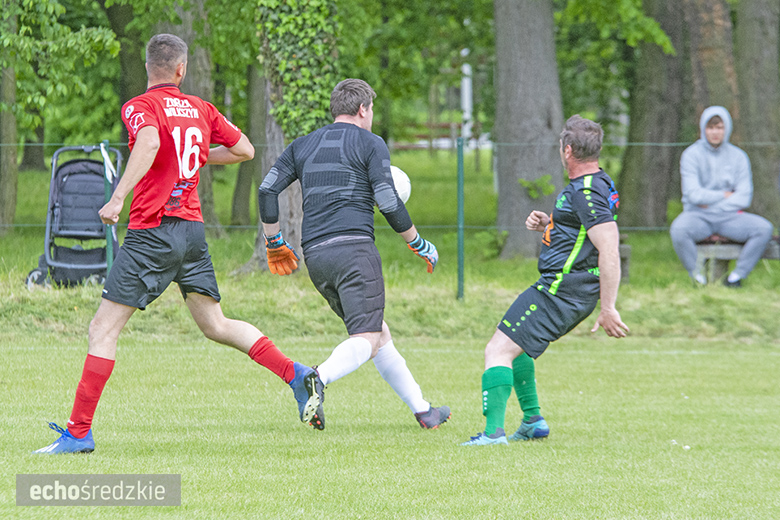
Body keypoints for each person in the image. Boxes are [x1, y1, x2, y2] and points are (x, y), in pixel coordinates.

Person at [34, 34, 319, 455]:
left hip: (153, 231)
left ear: (149, 67)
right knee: (216, 325)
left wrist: (117, 198)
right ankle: (296, 374)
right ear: (181, 70)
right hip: (191, 233)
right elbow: (244, 149)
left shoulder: (139, 106)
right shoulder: (202, 109)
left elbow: (150, 142)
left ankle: (78, 433)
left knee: (102, 329)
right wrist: (200, 153)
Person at [257, 78, 449, 431]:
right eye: (371, 110)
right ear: (363, 109)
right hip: (354, 251)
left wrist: (274, 242)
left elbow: (267, 190)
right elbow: (388, 201)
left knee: (377, 333)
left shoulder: (303, 145)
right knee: (366, 338)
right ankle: (315, 378)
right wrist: (418, 243)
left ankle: (423, 410)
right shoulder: (370, 143)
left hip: (317, 257)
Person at [461, 115, 629, 446]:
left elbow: (609, 249)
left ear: (567, 150)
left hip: (561, 290)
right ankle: (533, 421)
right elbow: (582, 232)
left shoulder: (586, 192)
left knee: (497, 349)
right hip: (567, 288)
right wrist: (552, 225)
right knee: (518, 346)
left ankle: (493, 434)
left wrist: (608, 307)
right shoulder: (597, 183)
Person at [670, 106, 773, 288]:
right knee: (679, 230)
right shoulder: (690, 155)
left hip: (730, 217)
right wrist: (724, 195)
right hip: (698, 216)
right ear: (703, 129)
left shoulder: (739, 157)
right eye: (710, 127)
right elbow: (693, 195)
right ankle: (698, 277)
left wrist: (711, 203)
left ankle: (736, 277)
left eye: (719, 127)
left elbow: (744, 197)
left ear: (727, 129)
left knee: (764, 228)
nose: (715, 132)